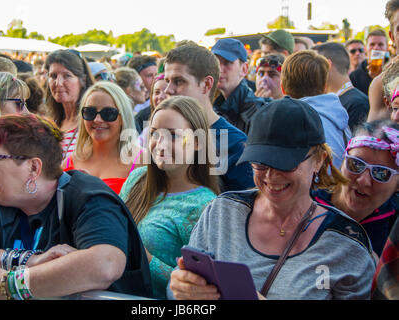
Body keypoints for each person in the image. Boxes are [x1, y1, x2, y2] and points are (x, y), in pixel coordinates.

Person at [169, 97, 376, 300]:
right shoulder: (221, 212)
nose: (270, 176)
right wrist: (180, 288)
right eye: (260, 163)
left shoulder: (346, 245)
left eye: (286, 164)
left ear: (318, 161)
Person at [0, 114, 152, 300]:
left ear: (33, 167)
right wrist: (31, 261)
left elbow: (106, 264)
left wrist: (10, 285)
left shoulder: (86, 197)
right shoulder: (6, 202)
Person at [120, 96, 219, 299]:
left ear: (198, 142)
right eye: (155, 133)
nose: (161, 144)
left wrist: (145, 258)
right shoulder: (137, 179)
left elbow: (198, 288)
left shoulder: (204, 205)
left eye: (173, 135)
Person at [163, 44, 254, 192]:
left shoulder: (235, 145)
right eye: (167, 81)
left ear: (206, 85)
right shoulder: (161, 136)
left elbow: (242, 210)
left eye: (179, 81)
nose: (168, 90)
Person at [312, 119, 398, 257]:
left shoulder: (394, 224)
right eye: (356, 164)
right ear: (343, 161)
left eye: (381, 173)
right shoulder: (308, 205)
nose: (363, 181)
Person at [63, 81, 142, 195]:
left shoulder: (142, 162)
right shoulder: (69, 163)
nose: (97, 120)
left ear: (123, 117)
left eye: (108, 113)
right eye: (90, 112)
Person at [281, 50, 351, 169]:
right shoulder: (340, 120)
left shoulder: (287, 123)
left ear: (282, 89)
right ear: (325, 87)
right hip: (339, 186)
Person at [44, 49, 95, 160]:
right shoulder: (50, 124)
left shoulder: (94, 123)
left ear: (82, 80)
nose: (58, 83)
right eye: (53, 76)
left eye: (67, 76)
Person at [211, 38, 268, 134]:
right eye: (215, 63)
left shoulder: (257, 112)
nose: (219, 69)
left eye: (227, 63)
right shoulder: (216, 108)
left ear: (244, 69)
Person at [313, 42, 370, 132]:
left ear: (327, 65)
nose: (310, 70)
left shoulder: (357, 104)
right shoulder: (338, 99)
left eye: (314, 65)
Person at [350, 29, 389, 95]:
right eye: (372, 44)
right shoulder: (355, 76)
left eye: (380, 44)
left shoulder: (394, 71)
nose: (376, 48)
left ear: (387, 48)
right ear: (365, 48)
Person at [136, 73, 168, 145]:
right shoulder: (147, 130)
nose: (161, 96)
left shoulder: (184, 125)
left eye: (166, 92)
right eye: (157, 92)